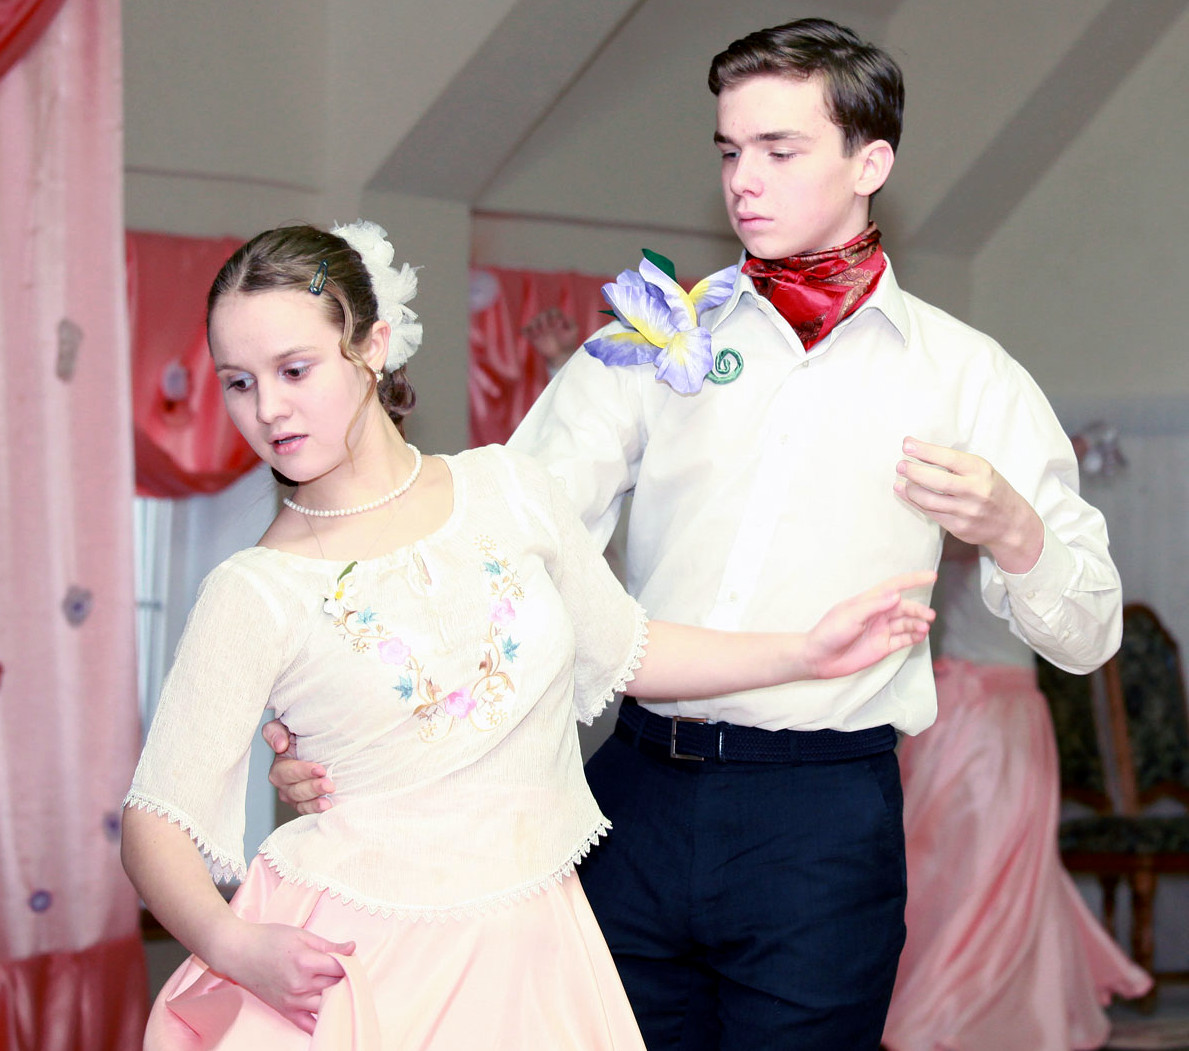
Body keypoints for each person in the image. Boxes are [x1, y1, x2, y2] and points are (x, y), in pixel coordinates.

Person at [270, 18, 1123, 1049]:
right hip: (626, 797)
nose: (742, 181)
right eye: (729, 150)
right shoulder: (652, 336)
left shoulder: (965, 375)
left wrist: (1016, 530)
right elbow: (494, 545)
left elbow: (1088, 631)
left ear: (870, 162)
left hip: (818, 821)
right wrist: (348, 718)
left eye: (779, 150)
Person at [121, 219, 937, 1050]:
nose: (267, 408)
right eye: (238, 382)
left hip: (537, 956)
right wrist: (234, 945)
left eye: (294, 369)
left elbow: (630, 650)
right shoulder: (254, 590)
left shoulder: (507, 489)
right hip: (356, 970)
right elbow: (155, 822)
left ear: (372, 344)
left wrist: (804, 651)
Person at [883, 539, 1150, 1051]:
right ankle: (944, 1000)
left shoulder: (1033, 526)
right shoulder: (946, 528)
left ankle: (991, 1008)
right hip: (968, 712)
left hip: (1011, 710)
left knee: (1010, 861)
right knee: (946, 858)